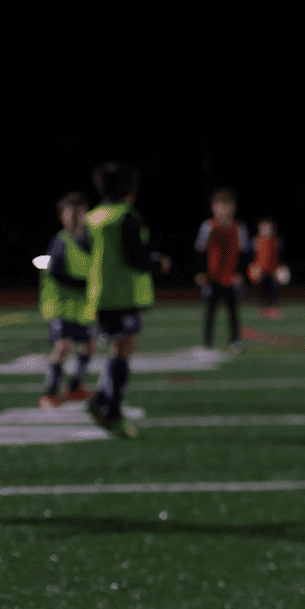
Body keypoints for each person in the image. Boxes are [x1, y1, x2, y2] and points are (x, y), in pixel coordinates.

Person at [82, 162, 172, 437]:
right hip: (124, 295)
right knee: (123, 351)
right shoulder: (127, 217)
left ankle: (101, 400)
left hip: (101, 295)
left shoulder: (92, 217)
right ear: (130, 190)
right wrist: (158, 264)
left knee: (118, 350)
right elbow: (135, 258)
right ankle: (113, 412)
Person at [38, 192, 96, 408]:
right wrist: (88, 283)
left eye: (80, 214)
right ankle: (49, 393)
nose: (76, 219)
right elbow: (57, 273)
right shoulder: (60, 242)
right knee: (63, 347)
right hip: (60, 307)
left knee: (89, 345)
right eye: (72, 214)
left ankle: (74, 388)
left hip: (80, 308)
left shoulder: (89, 240)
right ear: (62, 216)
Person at [194, 188, 249, 351]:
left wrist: (240, 274)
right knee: (210, 310)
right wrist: (200, 272)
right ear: (213, 207)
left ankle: (234, 340)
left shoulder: (239, 228)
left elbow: (244, 253)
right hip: (213, 277)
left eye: (227, 205)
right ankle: (207, 342)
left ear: (233, 207)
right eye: (219, 205)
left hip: (231, 277)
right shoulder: (207, 227)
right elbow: (200, 251)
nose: (223, 209)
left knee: (233, 310)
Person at [249, 217, 285, 319]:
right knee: (262, 291)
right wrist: (254, 269)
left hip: (273, 271)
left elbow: (280, 257)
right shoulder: (255, 241)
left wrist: (280, 269)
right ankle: (263, 310)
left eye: (268, 228)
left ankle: (274, 310)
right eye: (263, 228)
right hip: (261, 271)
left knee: (273, 291)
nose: (266, 230)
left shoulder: (277, 241)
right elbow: (251, 257)